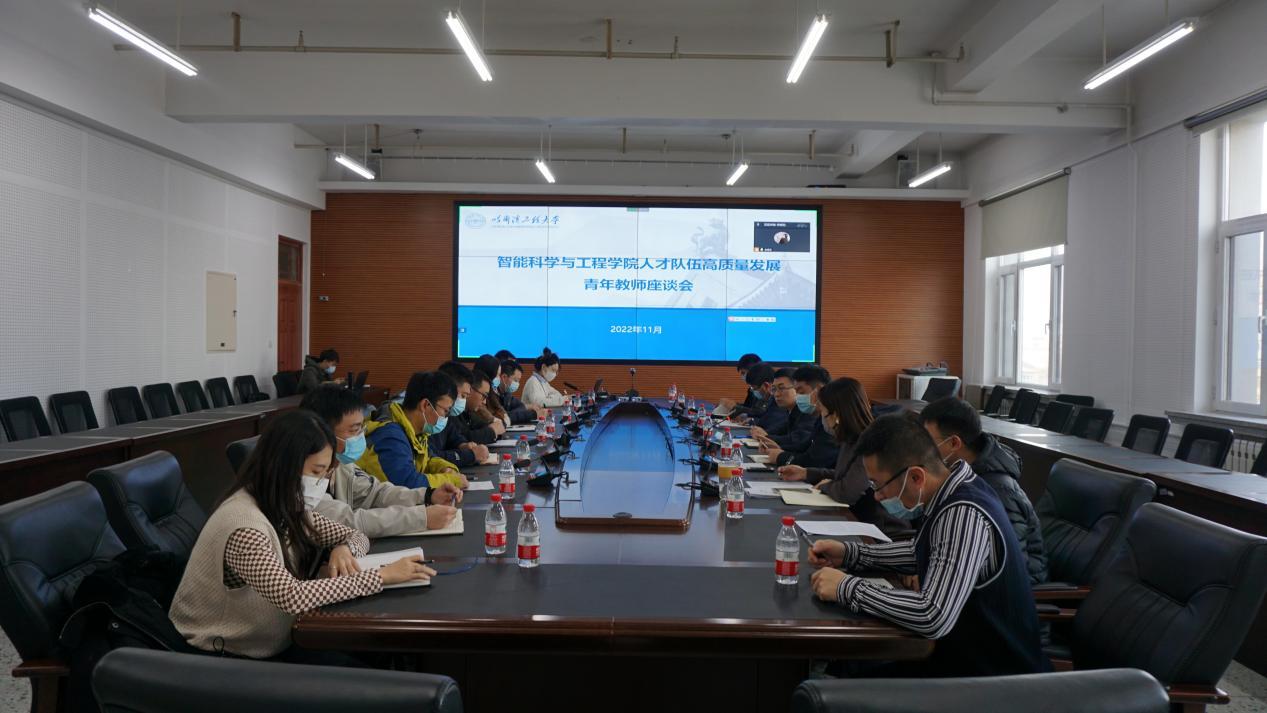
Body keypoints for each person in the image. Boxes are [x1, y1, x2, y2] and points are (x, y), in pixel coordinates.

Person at [169, 410, 433, 661]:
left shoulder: (287, 506)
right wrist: (382, 576)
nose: (321, 483)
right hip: (227, 656)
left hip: (279, 639)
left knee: (377, 654)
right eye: (316, 472)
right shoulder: (244, 525)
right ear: (283, 465)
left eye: (325, 473)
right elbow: (292, 596)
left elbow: (356, 535)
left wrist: (343, 549)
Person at [807, 413, 1049, 677]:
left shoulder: (963, 513)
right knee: (842, 665)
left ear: (916, 477)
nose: (876, 496)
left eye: (878, 485)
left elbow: (932, 615)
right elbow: (921, 551)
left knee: (831, 681)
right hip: (954, 654)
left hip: (989, 677)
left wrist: (846, 587)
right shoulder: (954, 488)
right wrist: (850, 553)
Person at [299, 386, 460, 537]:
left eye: (361, 429)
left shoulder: (342, 465)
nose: (361, 436)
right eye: (354, 430)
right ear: (321, 433)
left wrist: (428, 496)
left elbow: (374, 493)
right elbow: (348, 522)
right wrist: (421, 517)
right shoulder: (305, 479)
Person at [919, 397, 1048, 585]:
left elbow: (1012, 565)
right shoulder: (959, 474)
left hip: (1011, 590)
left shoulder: (999, 491)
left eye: (928, 443)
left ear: (954, 443)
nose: (922, 450)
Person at [777, 377, 910, 538]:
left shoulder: (871, 443)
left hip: (877, 530)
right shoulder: (850, 439)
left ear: (837, 415)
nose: (822, 418)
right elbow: (845, 475)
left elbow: (848, 492)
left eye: (824, 413)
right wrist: (806, 473)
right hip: (857, 519)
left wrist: (826, 486)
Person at [359, 371, 468, 490]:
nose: (446, 417)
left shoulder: (416, 432)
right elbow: (407, 484)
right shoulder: (389, 435)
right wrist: (451, 480)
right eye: (445, 411)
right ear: (425, 405)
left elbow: (428, 459)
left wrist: (446, 469)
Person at [763, 365, 839, 469]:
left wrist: (781, 457)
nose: (798, 397)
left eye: (801, 392)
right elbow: (804, 447)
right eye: (796, 392)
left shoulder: (833, 418)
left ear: (819, 390)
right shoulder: (820, 417)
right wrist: (780, 449)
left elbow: (815, 461)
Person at [428, 361, 491, 468]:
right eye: (463, 396)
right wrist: (470, 455)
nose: (464, 401)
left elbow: (454, 437)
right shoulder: (428, 414)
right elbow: (430, 457)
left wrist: (464, 445)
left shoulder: (447, 415)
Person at [748, 367, 812, 448]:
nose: (776, 394)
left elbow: (797, 439)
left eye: (782, 388)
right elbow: (780, 429)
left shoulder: (807, 411)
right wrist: (762, 434)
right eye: (774, 389)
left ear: (797, 389)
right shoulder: (791, 411)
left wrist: (766, 437)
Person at [459, 368, 504, 444]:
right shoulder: (454, 413)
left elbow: (484, 426)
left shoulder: (469, 412)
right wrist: (492, 431)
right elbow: (464, 438)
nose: (484, 402)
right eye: (484, 396)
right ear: (470, 390)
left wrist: (493, 429)